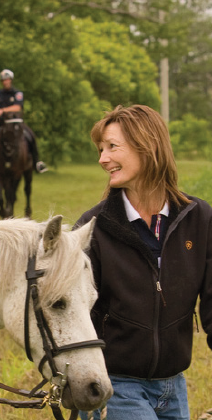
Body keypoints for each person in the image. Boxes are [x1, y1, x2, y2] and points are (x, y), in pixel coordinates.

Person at [75, 105, 212, 420]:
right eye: (101, 149)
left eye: (112, 147)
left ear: (147, 146)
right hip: (114, 384)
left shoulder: (199, 219)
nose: (102, 159)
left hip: (174, 385)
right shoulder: (91, 228)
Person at [0, 69, 47, 174]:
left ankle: (37, 162)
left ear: (10, 80)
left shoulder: (17, 93)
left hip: (15, 123)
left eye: (6, 80)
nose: (5, 82)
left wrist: (2, 110)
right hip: (0, 124)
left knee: (30, 136)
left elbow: (17, 107)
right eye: (3, 80)